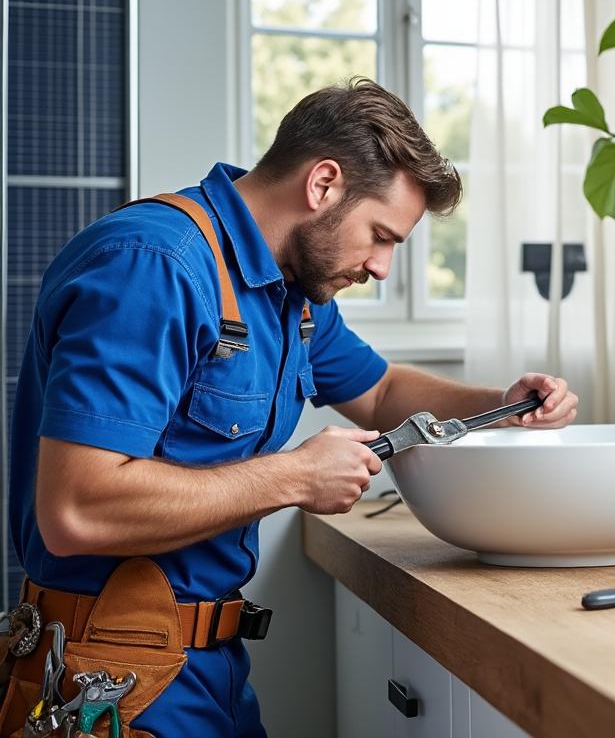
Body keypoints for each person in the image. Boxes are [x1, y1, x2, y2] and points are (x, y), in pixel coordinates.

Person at [1, 78, 577, 737]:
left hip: (210, 671)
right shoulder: (155, 266)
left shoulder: (292, 296)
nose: (383, 268)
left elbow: (382, 392)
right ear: (323, 184)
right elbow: (76, 509)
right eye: (380, 235)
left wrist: (503, 404)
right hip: (114, 680)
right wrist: (295, 477)